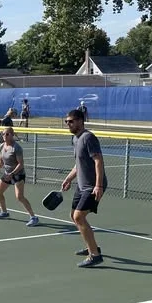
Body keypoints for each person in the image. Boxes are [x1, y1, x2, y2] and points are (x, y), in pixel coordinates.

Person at [60, 109, 107, 268]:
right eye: (67, 121)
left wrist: (98, 185)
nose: (68, 124)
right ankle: (91, 247)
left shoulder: (88, 138)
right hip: (81, 185)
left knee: (79, 217)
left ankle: (95, 255)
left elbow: (98, 161)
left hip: (92, 186)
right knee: (74, 215)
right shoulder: (75, 138)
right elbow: (78, 164)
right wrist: (68, 178)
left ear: (80, 121)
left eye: (71, 121)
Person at [0, 127, 38, 227]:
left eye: (7, 134)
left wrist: (11, 174)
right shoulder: (1, 146)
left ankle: (33, 217)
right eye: (3, 134)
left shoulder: (16, 148)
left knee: (19, 197)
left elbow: (20, 164)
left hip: (18, 174)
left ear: (12, 135)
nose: (4, 136)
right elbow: (0, 160)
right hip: (7, 173)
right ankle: (4, 212)